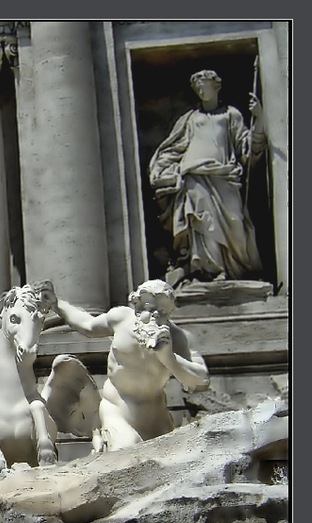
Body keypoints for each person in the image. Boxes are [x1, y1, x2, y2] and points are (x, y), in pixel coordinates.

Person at [47, 280, 210, 451]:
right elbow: (87, 325)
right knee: (126, 451)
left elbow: (201, 381)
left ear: (169, 311)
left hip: (155, 416)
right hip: (117, 408)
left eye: (161, 311)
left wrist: (169, 358)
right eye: (147, 307)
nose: (153, 315)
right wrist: (56, 304)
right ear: (137, 305)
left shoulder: (177, 338)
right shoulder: (121, 318)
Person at [148, 69, 267, 285]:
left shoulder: (231, 114)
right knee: (202, 222)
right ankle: (210, 271)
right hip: (194, 175)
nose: (202, 90)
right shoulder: (189, 119)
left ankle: (236, 270)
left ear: (217, 86)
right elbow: (172, 148)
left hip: (224, 176)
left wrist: (259, 117)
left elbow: (248, 149)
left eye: (205, 85)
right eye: (198, 88)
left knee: (235, 222)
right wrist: (161, 169)